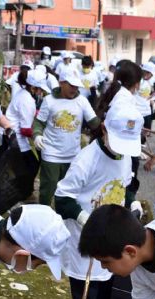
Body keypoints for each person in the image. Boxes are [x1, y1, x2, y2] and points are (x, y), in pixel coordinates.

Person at [53, 106, 144, 299]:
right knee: (87, 294)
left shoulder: (124, 156)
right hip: (85, 238)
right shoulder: (87, 159)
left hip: (112, 236)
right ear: (104, 129)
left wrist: (132, 204)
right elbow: (62, 199)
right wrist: (86, 221)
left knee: (107, 292)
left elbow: (125, 186)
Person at [33, 67, 101, 206]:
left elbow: (94, 123)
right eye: (71, 85)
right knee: (48, 189)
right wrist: (37, 135)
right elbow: (39, 122)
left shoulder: (82, 101)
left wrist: (109, 126)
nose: (74, 89)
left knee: (69, 192)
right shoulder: (49, 100)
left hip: (73, 155)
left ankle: (64, 217)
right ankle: (42, 214)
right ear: (61, 82)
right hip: (51, 153)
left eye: (76, 86)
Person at [96, 60, 144, 204]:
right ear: (136, 83)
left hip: (119, 142)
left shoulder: (118, 93)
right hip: (120, 145)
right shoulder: (124, 99)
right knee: (121, 182)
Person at [5, 69, 51, 199]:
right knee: (30, 165)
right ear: (32, 87)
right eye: (39, 89)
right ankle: (21, 192)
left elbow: (31, 114)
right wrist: (41, 136)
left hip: (15, 134)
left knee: (29, 165)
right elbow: (26, 130)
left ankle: (24, 191)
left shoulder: (24, 94)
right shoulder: (27, 100)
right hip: (14, 137)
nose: (41, 92)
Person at [136, 62, 155, 132]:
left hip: (147, 112)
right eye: (144, 72)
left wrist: (154, 105)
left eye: (148, 73)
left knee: (147, 133)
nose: (146, 74)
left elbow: (151, 95)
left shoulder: (153, 82)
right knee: (135, 131)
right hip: (136, 111)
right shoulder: (137, 80)